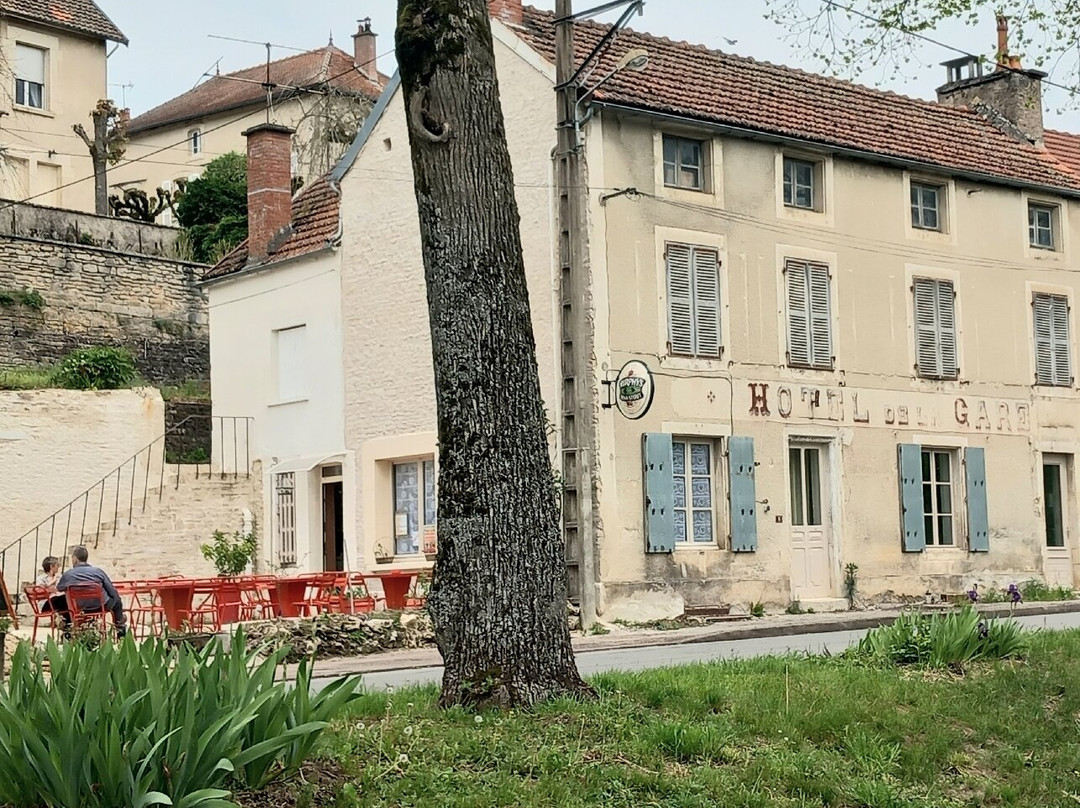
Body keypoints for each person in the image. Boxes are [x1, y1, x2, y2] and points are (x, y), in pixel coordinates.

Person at [56, 546, 128, 638]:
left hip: (79, 608)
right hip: (100, 606)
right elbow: (111, 590)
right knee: (117, 602)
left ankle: (68, 633)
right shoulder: (98, 572)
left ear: (74, 559)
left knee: (61, 603)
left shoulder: (68, 574)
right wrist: (115, 600)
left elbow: (59, 588)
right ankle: (121, 632)